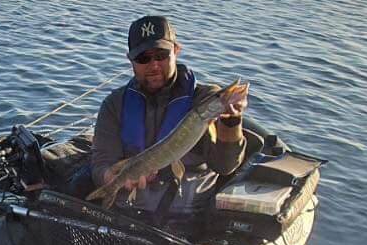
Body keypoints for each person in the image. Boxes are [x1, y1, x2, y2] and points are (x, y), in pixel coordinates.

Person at [88, 15, 249, 213]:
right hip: (131, 208)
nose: (154, 65)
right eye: (143, 58)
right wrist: (110, 178)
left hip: (189, 211)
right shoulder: (114, 104)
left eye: (161, 55)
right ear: (130, 60)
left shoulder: (203, 98)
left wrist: (231, 121)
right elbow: (101, 162)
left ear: (176, 50)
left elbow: (225, 166)